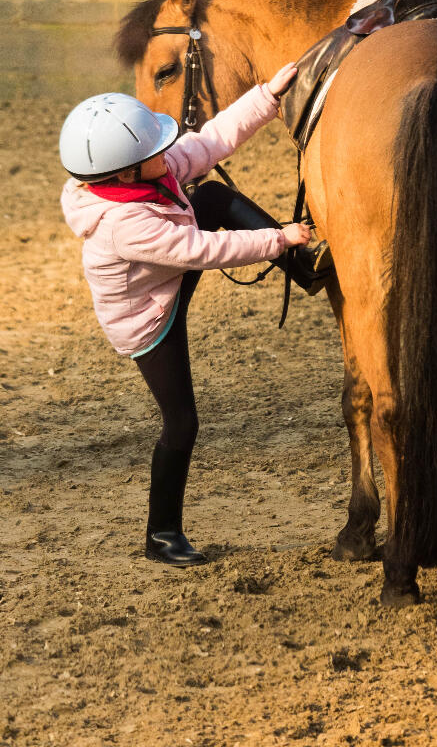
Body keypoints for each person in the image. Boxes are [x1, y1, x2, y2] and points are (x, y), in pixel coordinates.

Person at [59, 63, 331, 567]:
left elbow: (210, 141)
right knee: (182, 423)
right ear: (124, 174)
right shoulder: (123, 224)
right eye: (155, 152)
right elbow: (202, 250)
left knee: (211, 194)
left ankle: (306, 269)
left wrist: (267, 96)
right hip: (147, 319)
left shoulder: (147, 171)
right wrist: (280, 236)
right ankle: (161, 534)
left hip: (163, 276)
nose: (168, 152)